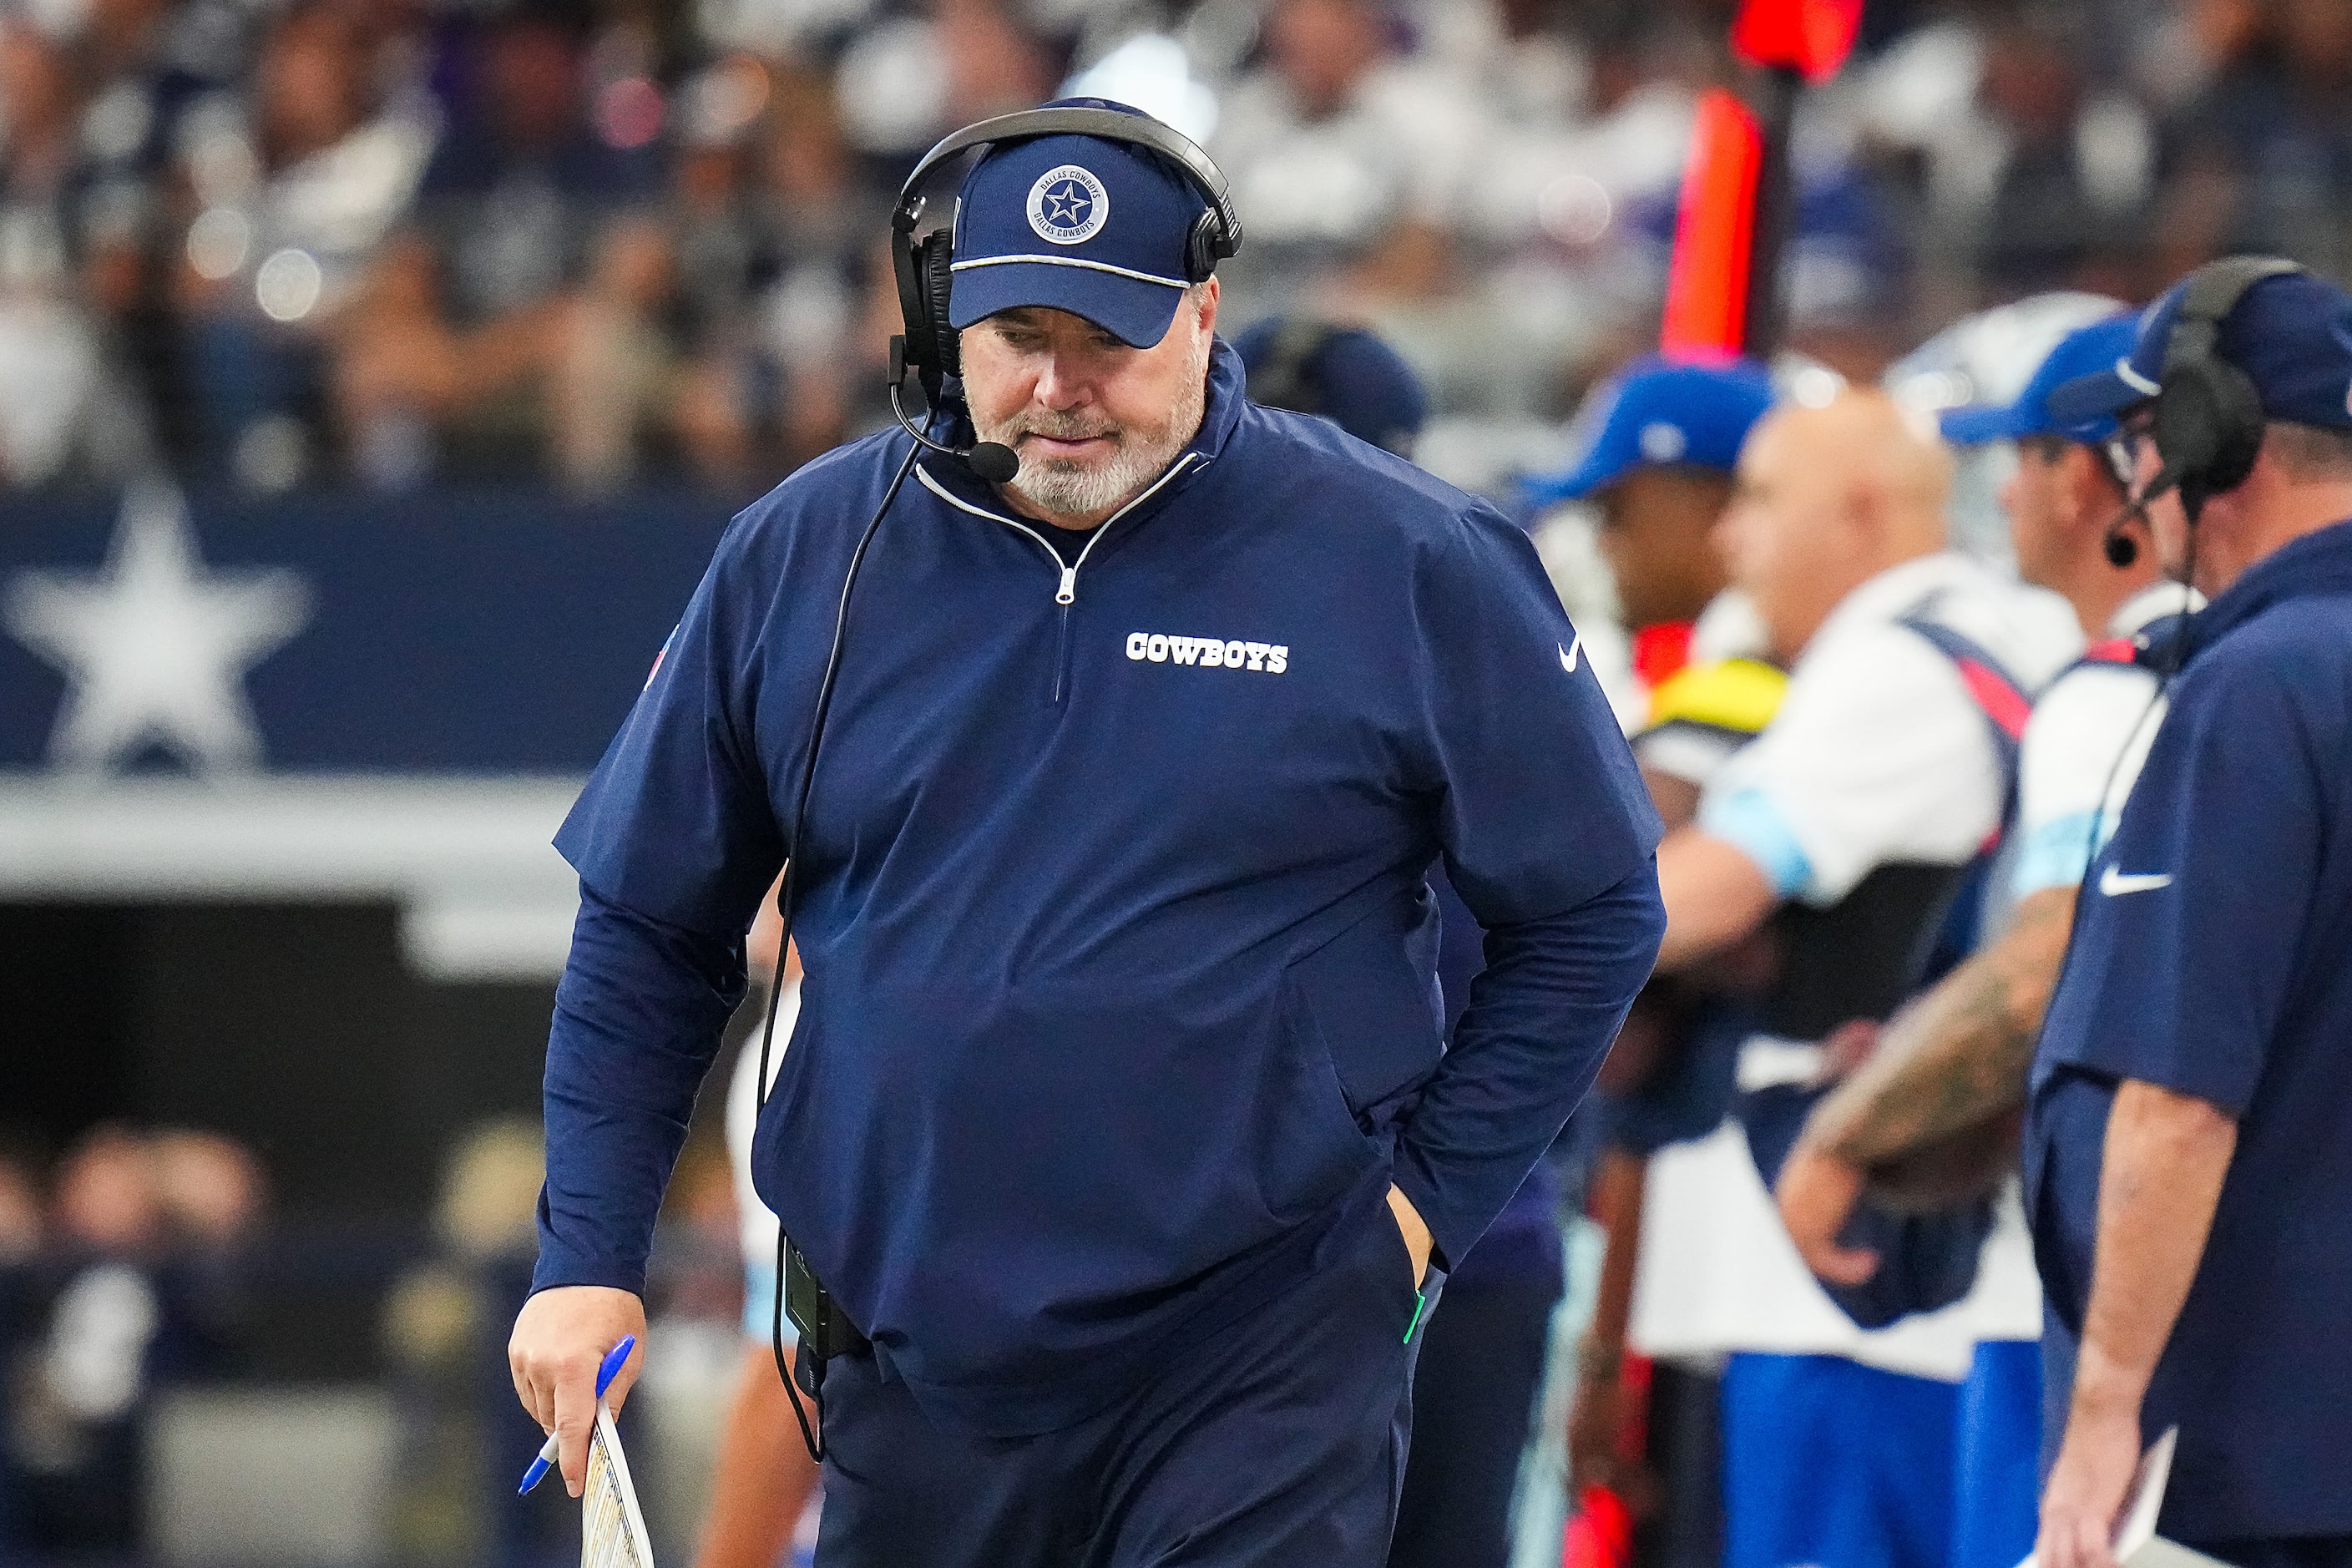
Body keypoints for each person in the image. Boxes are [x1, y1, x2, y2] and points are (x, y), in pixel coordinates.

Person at [508, 100, 1665, 1568]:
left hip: (1258, 1347)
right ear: (941, 328)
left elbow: (1593, 909)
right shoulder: (804, 553)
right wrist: (586, 1256)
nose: (1060, 388)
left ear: (1201, 311)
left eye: (1108, 337)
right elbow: (647, 925)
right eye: (1016, 334)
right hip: (911, 1353)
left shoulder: (1409, 558)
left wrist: (1417, 1215)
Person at [1769, 311, 2187, 1568]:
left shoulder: (2113, 686)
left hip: (2081, 1301)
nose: (1996, 495)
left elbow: (2044, 963)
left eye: (2013, 459)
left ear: (2079, 476)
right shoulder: (2264, 667)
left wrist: (1849, 1130)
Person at [1640, 389, 2080, 1568]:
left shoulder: (1893, 665)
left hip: (1850, 1291)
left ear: (1859, 514)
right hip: (1963, 1265)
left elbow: (1704, 892)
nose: (1732, 539)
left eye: (1763, 500)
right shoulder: (2023, 630)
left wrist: (1490, 956)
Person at [2025, 260, 2352, 1568]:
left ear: (2214, 437)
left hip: (2246, 1462)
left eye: (2140, 430)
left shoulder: (2258, 689)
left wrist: (2103, 1410)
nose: (2126, 466)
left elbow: (2178, 1092)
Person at [1523, 352, 1781, 1568]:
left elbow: (1603, 955)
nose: (1602, 537)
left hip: (1730, 1257)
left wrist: (1598, 1346)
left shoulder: (1748, 690)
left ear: (1708, 502)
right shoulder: (1723, 680)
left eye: (1619, 505)